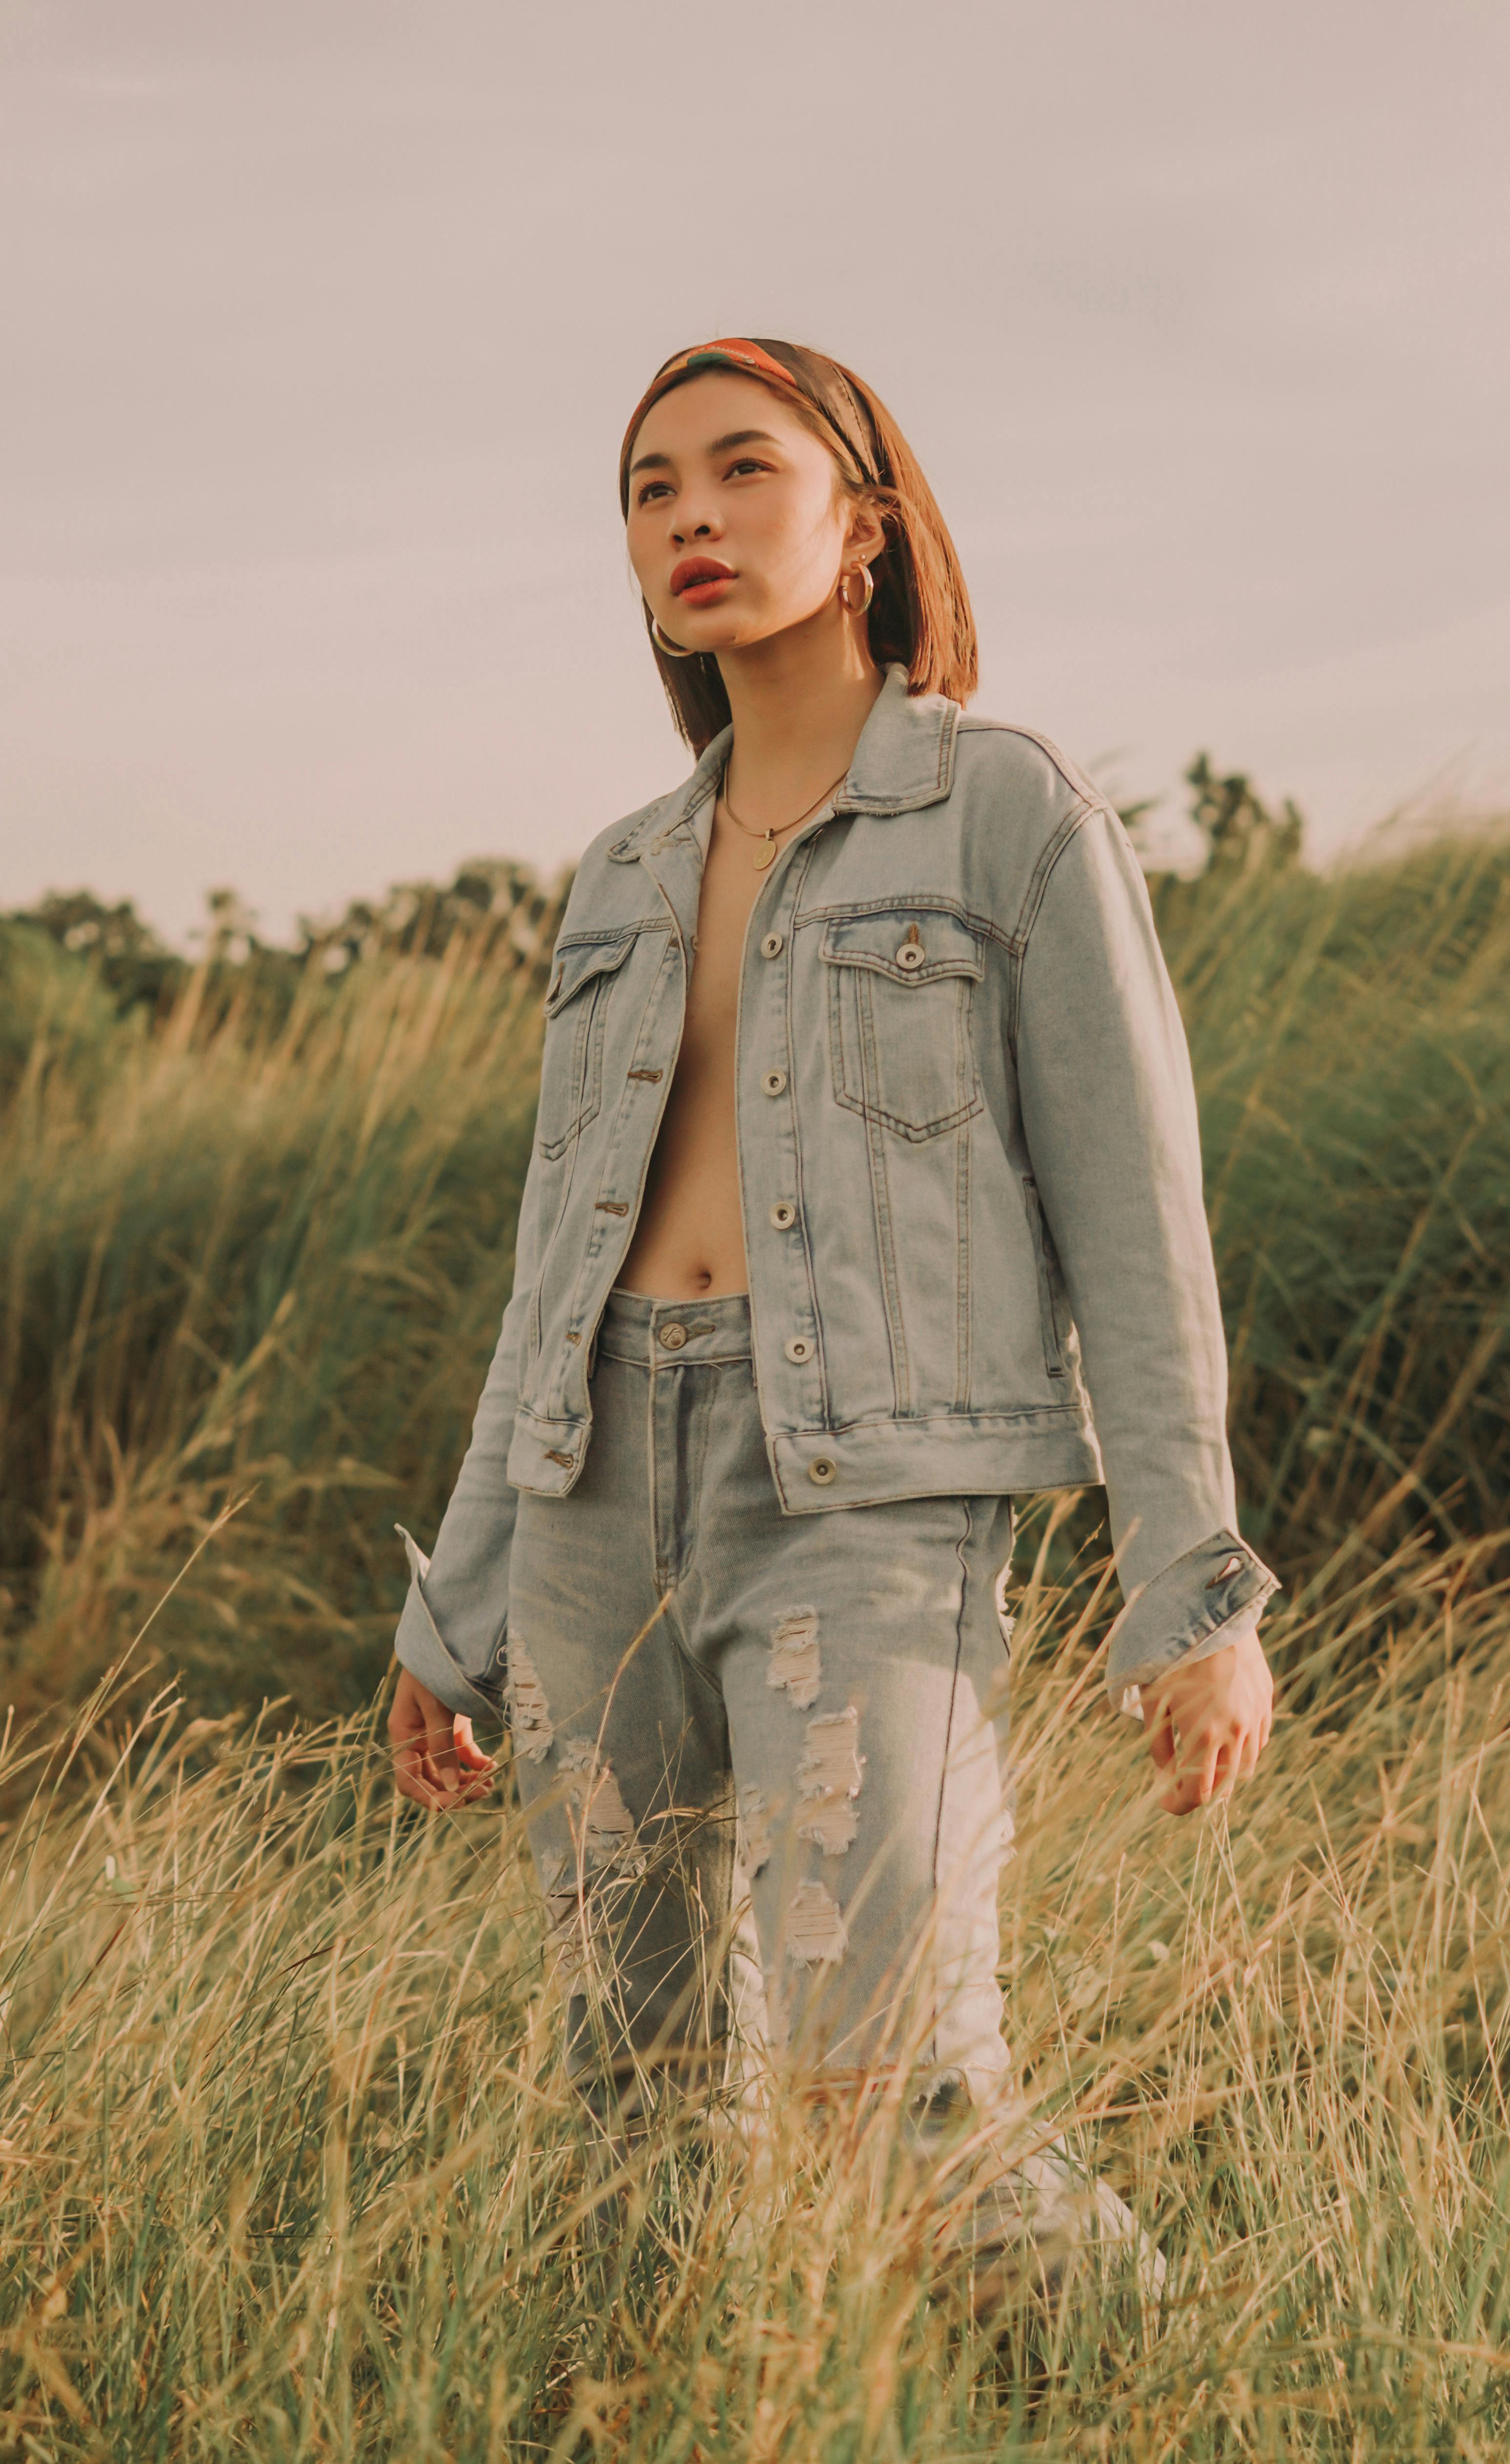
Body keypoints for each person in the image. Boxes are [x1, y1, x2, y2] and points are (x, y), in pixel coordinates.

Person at [384, 336, 1278, 2279]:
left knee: (902, 2092)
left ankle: (1178, 2382)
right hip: (593, 1488)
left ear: (862, 522)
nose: (691, 517)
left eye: (741, 470)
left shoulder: (1003, 813)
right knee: (627, 2081)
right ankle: (669, 2405)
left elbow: (1135, 1232)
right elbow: (554, 1263)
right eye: (648, 490)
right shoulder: (619, 876)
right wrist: (451, 1604)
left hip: (866, 1498)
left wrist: (1188, 1594)